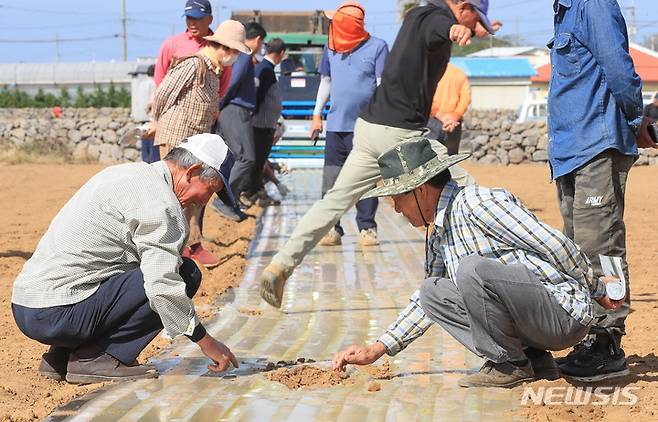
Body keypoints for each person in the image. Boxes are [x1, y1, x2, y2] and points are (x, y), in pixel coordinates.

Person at [332, 138, 625, 388]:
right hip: (536, 323)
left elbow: (554, 243)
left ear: (419, 190)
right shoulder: (438, 233)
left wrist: (596, 287)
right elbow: (425, 304)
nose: (396, 210)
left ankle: (510, 366)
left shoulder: (477, 203)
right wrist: (377, 348)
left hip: (563, 315)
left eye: (397, 199)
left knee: (471, 269)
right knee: (432, 291)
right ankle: (532, 360)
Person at [260, 0, 494, 309]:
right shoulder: (439, 20)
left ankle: (280, 265)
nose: (474, 21)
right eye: (475, 14)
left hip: (369, 127)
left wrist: (470, 28)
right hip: (401, 134)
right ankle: (508, 269)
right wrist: (454, 29)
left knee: (334, 201)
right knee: (470, 190)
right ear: (463, 7)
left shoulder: (417, 14)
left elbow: (435, 28)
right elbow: (441, 27)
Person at [12, 134, 241, 384]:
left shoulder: (125, 174)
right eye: (211, 190)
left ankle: (61, 356)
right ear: (192, 171)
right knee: (185, 273)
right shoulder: (163, 206)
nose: (206, 201)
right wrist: (206, 341)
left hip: (28, 304)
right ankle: (98, 358)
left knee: (129, 266)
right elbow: (162, 286)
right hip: (58, 314)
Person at [548, 0, 656, 382]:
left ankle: (608, 340)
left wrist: (635, 119)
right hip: (569, 151)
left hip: (596, 144)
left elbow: (618, 67)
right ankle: (590, 335)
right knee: (577, 250)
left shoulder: (591, 3)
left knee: (602, 246)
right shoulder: (565, 10)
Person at [152, 20, 250, 269]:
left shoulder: (214, 71)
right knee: (175, 196)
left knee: (194, 197)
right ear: (224, 48)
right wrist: (157, 122)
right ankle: (173, 250)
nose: (235, 58)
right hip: (177, 139)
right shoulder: (194, 64)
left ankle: (191, 247)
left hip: (197, 142)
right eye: (235, 52)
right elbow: (163, 94)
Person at [310, 1, 389, 248]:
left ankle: (367, 228)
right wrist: (316, 114)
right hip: (335, 127)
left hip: (365, 128)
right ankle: (331, 229)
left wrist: (380, 120)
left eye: (336, 21)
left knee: (365, 180)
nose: (332, 25)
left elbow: (381, 85)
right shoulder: (330, 49)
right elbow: (326, 81)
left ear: (347, 24)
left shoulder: (378, 47)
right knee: (331, 181)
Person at [211, 22, 267, 220]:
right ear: (258, 40)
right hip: (234, 109)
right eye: (262, 43)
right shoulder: (244, 54)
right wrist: (219, 106)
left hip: (234, 109)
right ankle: (223, 200)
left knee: (237, 157)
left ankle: (230, 201)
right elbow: (232, 82)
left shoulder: (243, 55)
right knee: (246, 157)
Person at [153, 0, 233, 108]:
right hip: (174, 111)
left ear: (210, 19)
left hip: (206, 113)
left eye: (198, 18)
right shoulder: (171, 44)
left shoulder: (221, 47)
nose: (192, 23)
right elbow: (160, 79)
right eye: (189, 18)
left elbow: (224, 83)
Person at [250, 38, 287, 207]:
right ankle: (254, 194)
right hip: (261, 124)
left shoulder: (265, 68)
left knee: (259, 161)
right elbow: (257, 94)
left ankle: (257, 193)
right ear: (281, 54)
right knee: (258, 161)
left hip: (265, 124)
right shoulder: (265, 69)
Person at [427, 63, 471, 155]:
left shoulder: (428, 72)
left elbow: (424, 97)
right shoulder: (460, 74)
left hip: (431, 121)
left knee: (430, 158)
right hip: (453, 124)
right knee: (451, 161)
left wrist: (440, 115)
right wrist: (455, 116)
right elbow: (465, 99)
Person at [132, 64, 160, 164]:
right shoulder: (153, 83)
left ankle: (145, 162)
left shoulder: (141, 83)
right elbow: (152, 101)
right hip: (149, 116)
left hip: (140, 117)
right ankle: (151, 164)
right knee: (152, 142)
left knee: (144, 142)